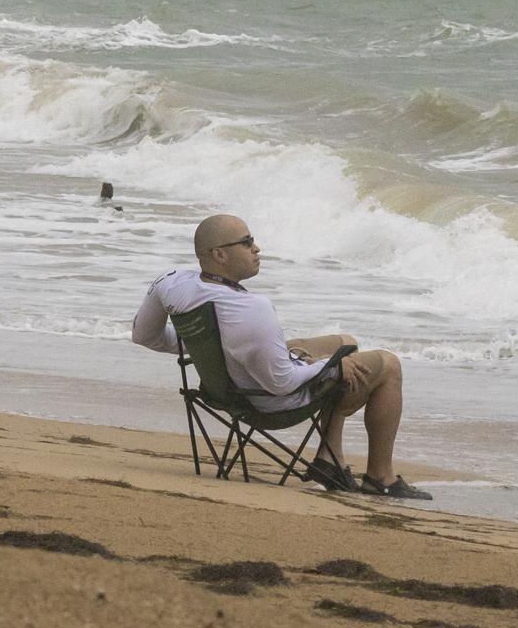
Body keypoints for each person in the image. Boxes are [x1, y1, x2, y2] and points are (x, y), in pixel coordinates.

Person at [129, 213, 429, 500]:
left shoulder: (170, 282)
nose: (256, 248)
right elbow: (282, 383)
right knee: (388, 365)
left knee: (346, 343)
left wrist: (208, 347)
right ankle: (381, 478)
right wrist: (329, 367)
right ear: (220, 254)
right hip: (269, 404)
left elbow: (144, 336)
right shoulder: (252, 308)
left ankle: (329, 455)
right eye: (247, 242)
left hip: (226, 389)